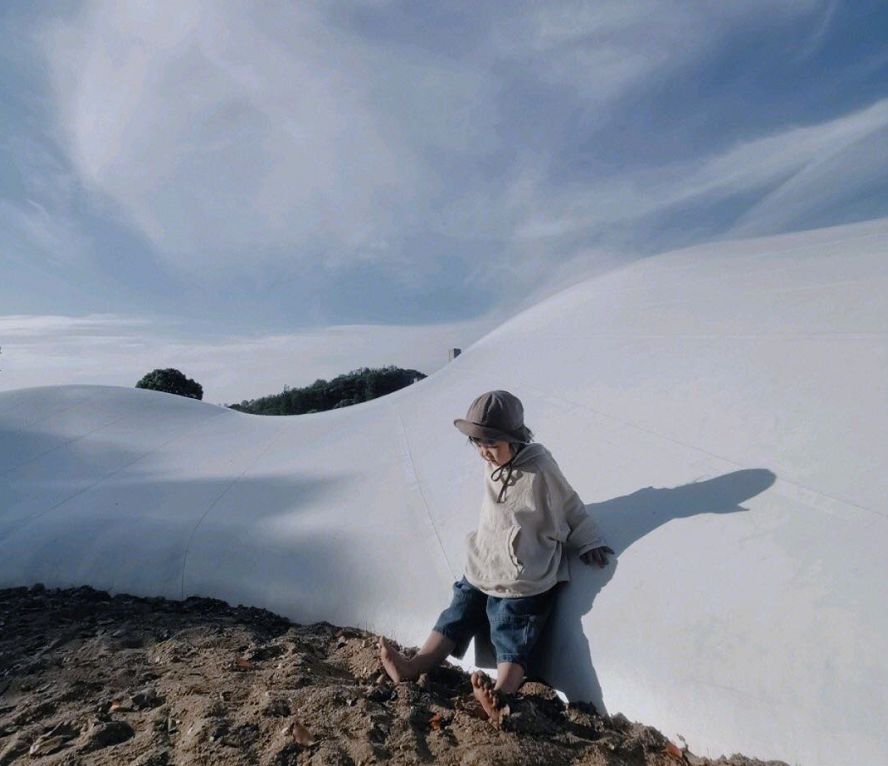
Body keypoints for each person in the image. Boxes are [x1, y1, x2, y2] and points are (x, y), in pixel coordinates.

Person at [378, 390, 614, 724]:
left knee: (511, 628)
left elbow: (571, 505)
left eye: (493, 445)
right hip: (485, 563)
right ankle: (414, 665)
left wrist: (589, 540)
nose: (485, 453)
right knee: (456, 612)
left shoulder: (541, 469)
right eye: (478, 444)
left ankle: (501, 694)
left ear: (515, 439)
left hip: (524, 572)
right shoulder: (493, 464)